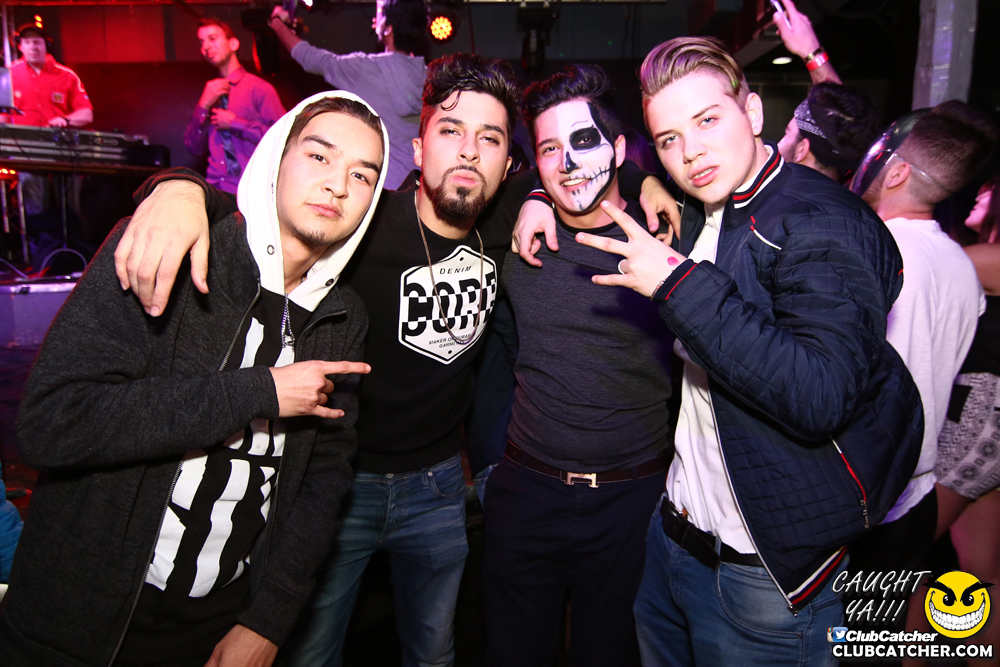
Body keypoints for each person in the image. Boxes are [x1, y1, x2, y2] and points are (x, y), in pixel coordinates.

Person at [115, 53, 527, 667]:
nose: (469, 151)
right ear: (418, 150)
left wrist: (637, 183)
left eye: (489, 138)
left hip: (440, 485)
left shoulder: (510, 219)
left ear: (508, 163)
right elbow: (261, 210)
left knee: (434, 652)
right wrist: (178, 188)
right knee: (310, 652)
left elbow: (592, 175)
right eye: (451, 131)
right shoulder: (362, 218)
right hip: (340, 482)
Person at [0, 91, 386, 666]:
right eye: (319, 156)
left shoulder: (343, 315)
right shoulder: (168, 245)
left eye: (362, 175)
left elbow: (323, 481)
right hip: (81, 619)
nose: (337, 185)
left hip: (217, 625)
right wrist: (260, 391)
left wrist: (266, 622)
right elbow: (52, 423)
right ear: (276, 158)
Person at [575, 36, 922, 666]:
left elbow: (822, 394)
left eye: (708, 120)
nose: (691, 151)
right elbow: (598, 168)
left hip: (762, 572)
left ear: (753, 112)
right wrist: (548, 197)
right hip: (674, 536)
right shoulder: (705, 202)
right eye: (670, 138)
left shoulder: (822, 221)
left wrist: (676, 285)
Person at [482, 64, 672, 667]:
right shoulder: (516, 235)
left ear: (618, 148)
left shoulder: (670, 233)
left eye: (584, 141)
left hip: (632, 501)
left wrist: (647, 180)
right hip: (526, 491)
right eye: (548, 149)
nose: (566, 163)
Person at [847, 101, 995, 579]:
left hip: (861, 496)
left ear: (896, 172)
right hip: (914, 495)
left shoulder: (879, 255)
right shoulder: (959, 265)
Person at [931, 175, 1000, 665]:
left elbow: (923, 262)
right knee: (981, 571)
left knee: (901, 547)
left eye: (992, 187)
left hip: (979, 420)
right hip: (986, 423)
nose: (979, 192)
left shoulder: (985, 260)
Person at [270, 0, 428, 190]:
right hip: (416, 188)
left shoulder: (366, 70)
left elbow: (311, 59)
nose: (374, 20)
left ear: (388, 28)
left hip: (383, 191)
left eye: (379, 15)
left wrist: (276, 22)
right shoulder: (429, 78)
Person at [184, 18, 286, 195]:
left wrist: (237, 123)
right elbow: (193, 147)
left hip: (250, 190)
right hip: (215, 188)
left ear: (233, 44)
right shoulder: (210, 92)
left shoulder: (259, 89)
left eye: (212, 38)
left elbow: (283, 139)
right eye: (201, 42)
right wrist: (203, 105)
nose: (206, 46)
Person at [776, 82, 879, 184]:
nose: (777, 145)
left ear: (801, 150)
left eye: (786, 134)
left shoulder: (778, 193)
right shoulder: (845, 193)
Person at [2, 23, 92, 128]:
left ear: (47, 45)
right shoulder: (7, 74)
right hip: (19, 137)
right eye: (27, 42)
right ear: (20, 47)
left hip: (56, 137)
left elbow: (86, 114)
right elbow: (2, 113)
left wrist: (65, 120)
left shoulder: (67, 76)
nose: (32, 47)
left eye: (37, 42)